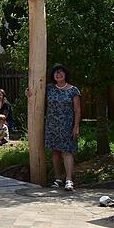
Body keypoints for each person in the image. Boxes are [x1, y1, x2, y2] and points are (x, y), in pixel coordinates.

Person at [33, 63, 81, 191]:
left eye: (60, 72)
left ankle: (69, 180)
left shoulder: (73, 90)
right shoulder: (49, 88)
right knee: (55, 151)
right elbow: (35, 92)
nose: (58, 74)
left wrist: (76, 126)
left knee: (66, 151)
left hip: (67, 125)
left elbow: (77, 110)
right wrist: (29, 92)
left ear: (65, 74)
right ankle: (57, 178)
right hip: (52, 125)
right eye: (55, 72)